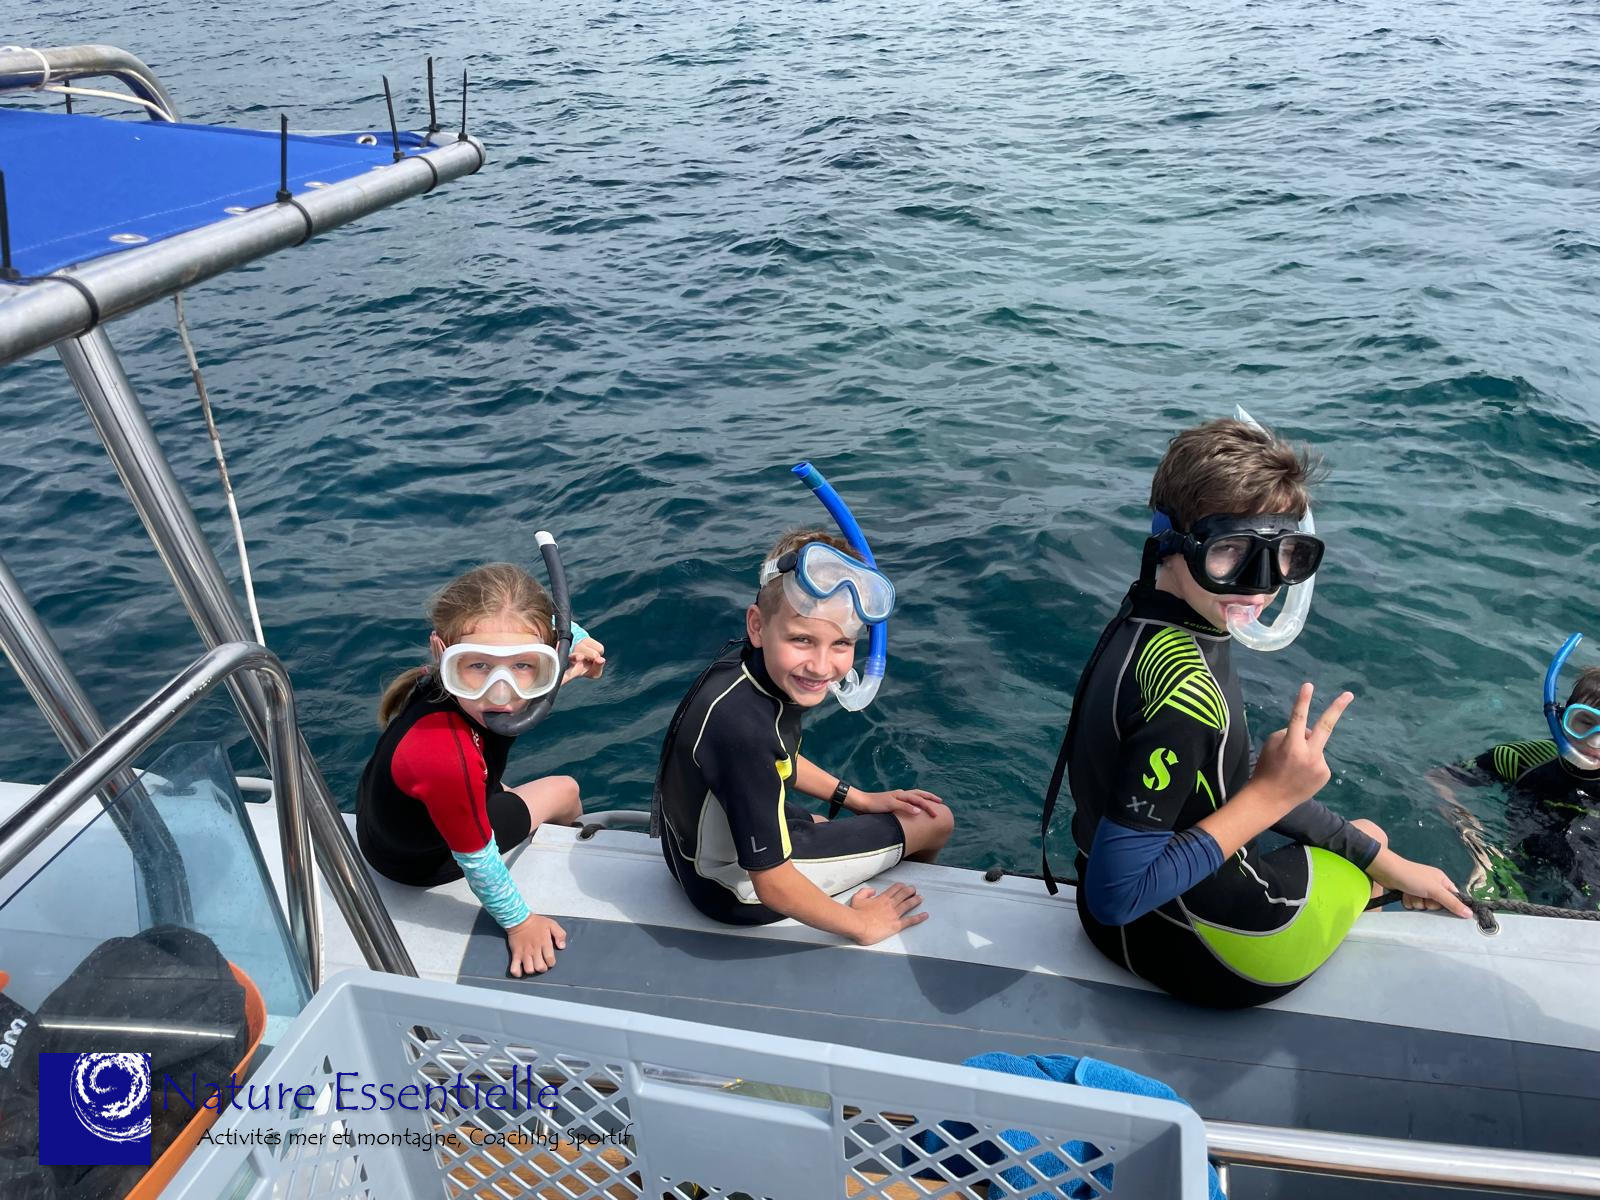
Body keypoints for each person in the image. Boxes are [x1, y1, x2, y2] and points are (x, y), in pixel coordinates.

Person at [1048, 417, 1469, 1009]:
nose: (1261, 587)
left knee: (1368, 851)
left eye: (1286, 556)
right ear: (1171, 544)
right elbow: (1117, 895)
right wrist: (1275, 796)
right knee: (1370, 835)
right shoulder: (1186, 689)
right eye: (1229, 552)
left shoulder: (1143, 626)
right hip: (1226, 956)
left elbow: (1207, 774)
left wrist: (1288, 799)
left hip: (1111, 938)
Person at [653, 528, 954, 944]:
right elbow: (771, 883)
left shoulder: (740, 669)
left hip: (689, 858)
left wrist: (859, 799)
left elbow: (778, 759)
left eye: (841, 643)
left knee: (821, 822)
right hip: (730, 890)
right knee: (933, 820)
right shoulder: (744, 731)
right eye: (802, 640)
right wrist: (862, 925)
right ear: (757, 626)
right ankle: (902, 897)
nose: (821, 666)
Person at [357, 561, 606, 977]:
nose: (502, 694)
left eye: (525, 665)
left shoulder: (448, 692)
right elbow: (478, 861)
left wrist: (578, 639)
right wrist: (520, 923)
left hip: (387, 821)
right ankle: (564, 846)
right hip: (420, 860)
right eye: (478, 666)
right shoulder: (444, 757)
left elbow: (538, 626)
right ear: (442, 654)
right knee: (565, 790)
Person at [1429, 640, 1600, 905]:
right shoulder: (1520, 759)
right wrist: (1476, 841)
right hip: (1518, 866)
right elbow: (1438, 779)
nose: (1594, 742)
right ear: (1560, 717)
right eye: (1585, 722)